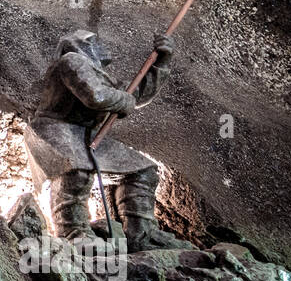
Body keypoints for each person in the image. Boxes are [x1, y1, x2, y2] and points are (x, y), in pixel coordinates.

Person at [24, 29, 193, 251]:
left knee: (142, 170)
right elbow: (96, 96)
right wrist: (124, 100)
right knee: (78, 168)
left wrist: (161, 63)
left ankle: (142, 234)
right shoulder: (71, 60)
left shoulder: (99, 74)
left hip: (82, 134)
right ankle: (73, 233)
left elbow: (135, 95)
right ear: (82, 44)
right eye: (94, 41)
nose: (102, 45)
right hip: (54, 129)